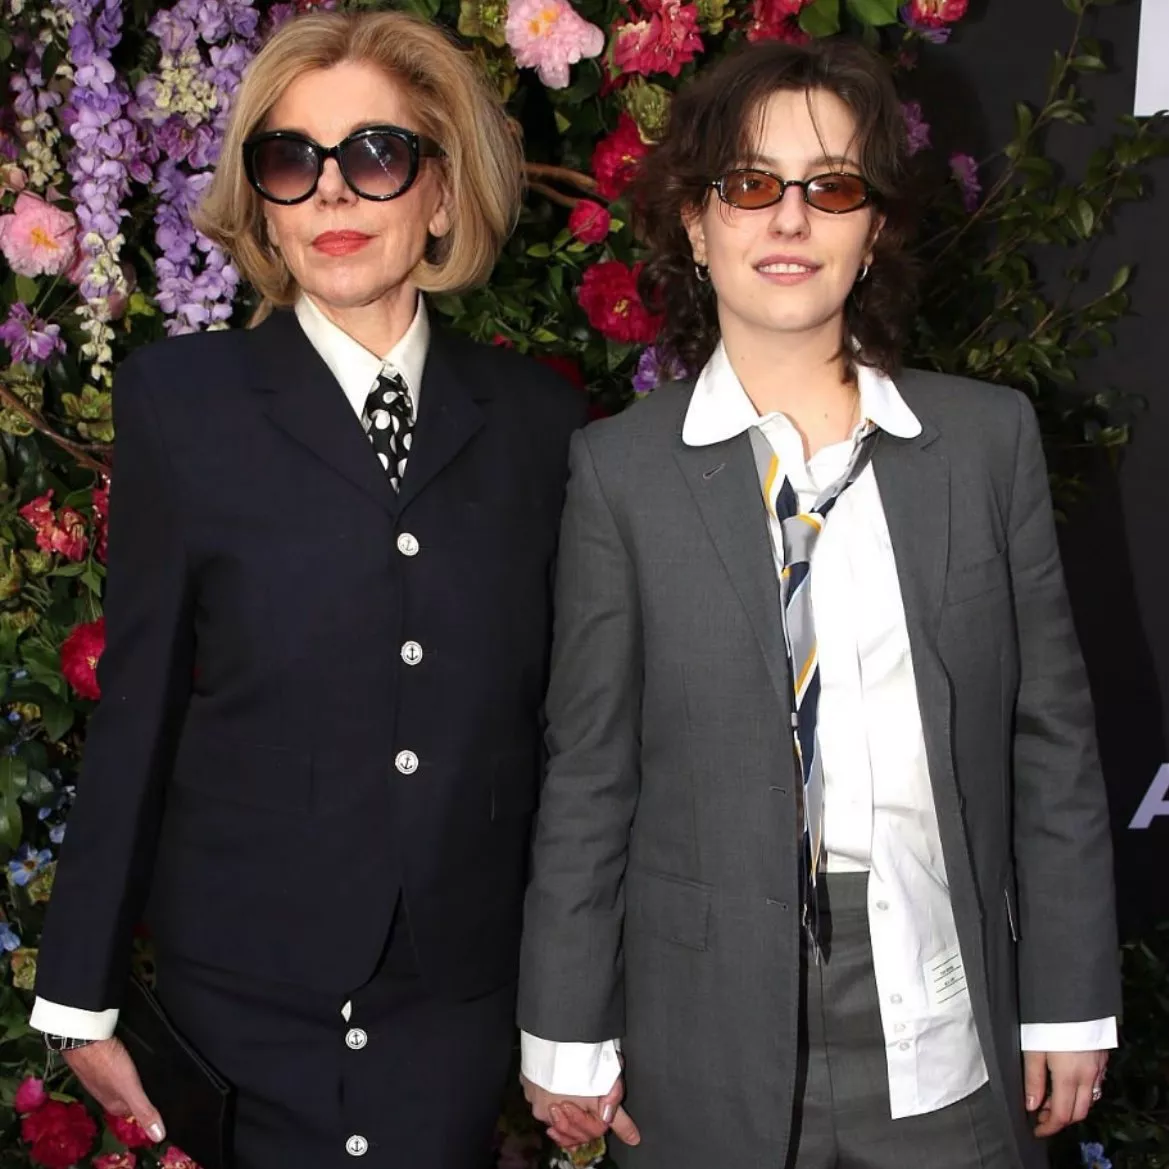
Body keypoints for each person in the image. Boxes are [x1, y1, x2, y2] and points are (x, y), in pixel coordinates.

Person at [516, 37, 1121, 1169]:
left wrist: (1069, 997)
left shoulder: (983, 444)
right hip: (696, 1032)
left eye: (831, 187)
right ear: (695, 224)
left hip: (937, 1006)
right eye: (750, 184)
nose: (789, 219)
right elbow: (589, 770)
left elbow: (1050, 743)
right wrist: (563, 1025)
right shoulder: (620, 472)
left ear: (872, 228)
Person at [30, 11, 585, 1167]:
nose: (332, 191)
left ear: (442, 192)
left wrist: (577, 1004)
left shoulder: (539, 422)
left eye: (375, 154)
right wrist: (77, 994)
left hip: (456, 992)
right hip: (241, 989)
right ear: (265, 204)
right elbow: (138, 703)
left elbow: (565, 729)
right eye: (292, 160)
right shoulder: (182, 406)